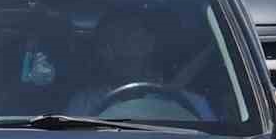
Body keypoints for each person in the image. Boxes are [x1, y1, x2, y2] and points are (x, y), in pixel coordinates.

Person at [65, 10, 214, 121]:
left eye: (124, 39)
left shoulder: (191, 104)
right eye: (106, 43)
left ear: (149, 43)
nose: (114, 51)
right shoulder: (84, 104)